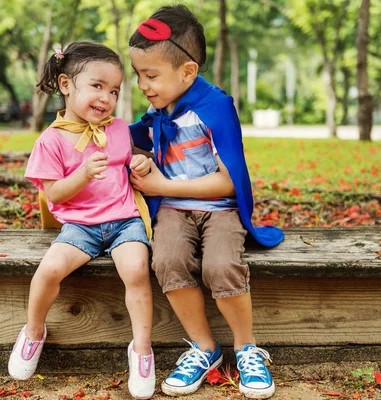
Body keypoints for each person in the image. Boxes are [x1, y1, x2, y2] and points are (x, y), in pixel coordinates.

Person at [128, 5, 284, 399]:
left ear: (187, 72)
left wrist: (162, 184)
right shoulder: (160, 106)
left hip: (220, 210)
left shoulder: (215, 107)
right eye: (138, 75)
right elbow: (140, 138)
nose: (143, 85)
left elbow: (228, 181)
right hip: (176, 213)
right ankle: (205, 348)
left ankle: (247, 348)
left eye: (151, 76)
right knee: (167, 260)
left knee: (220, 265)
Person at [8, 41, 156, 400]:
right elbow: (53, 194)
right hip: (80, 227)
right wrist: (84, 175)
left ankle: (142, 350)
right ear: (65, 85)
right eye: (97, 86)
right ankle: (33, 331)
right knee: (48, 270)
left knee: (136, 269)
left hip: (124, 220)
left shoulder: (119, 128)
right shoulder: (51, 140)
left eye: (114, 90)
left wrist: (143, 163)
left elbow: (133, 157)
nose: (106, 97)